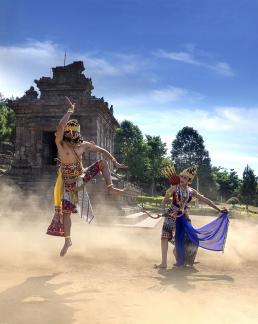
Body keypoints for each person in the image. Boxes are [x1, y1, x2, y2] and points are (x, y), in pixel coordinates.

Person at [46, 97, 127, 256]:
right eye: (70, 132)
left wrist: (115, 161)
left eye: (76, 132)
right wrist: (70, 111)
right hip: (69, 185)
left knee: (102, 163)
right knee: (66, 214)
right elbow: (60, 126)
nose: (73, 134)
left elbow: (102, 151)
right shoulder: (61, 146)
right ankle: (67, 240)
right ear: (66, 134)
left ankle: (110, 188)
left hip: (81, 178)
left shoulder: (83, 146)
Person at [155, 165, 229, 269]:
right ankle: (163, 263)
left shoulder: (191, 191)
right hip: (171, 215)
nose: (182, 179)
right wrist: (163, 211)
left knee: (192, 238)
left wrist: (218, 209)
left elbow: (205, 200)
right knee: (164, 237)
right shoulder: (174, 188)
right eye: (181, 177)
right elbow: (165, 199)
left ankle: (188, 259)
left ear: (189, 181)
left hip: (183, 216)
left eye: (185, 178)